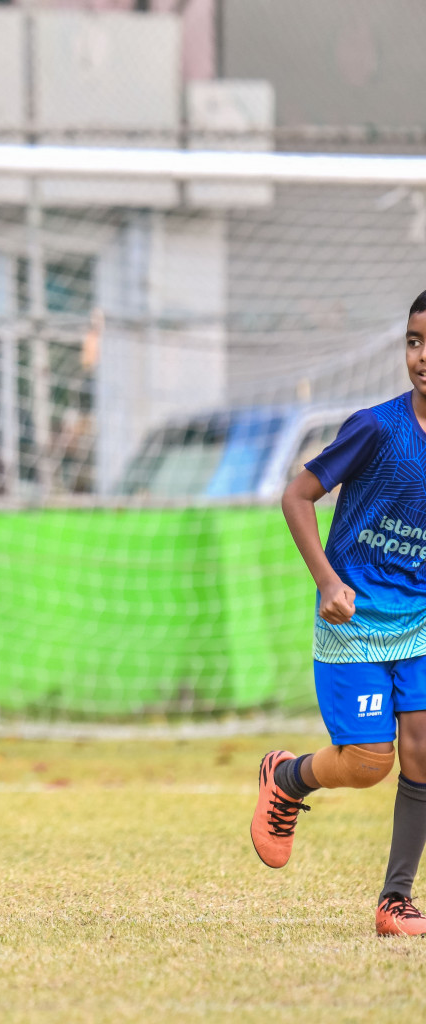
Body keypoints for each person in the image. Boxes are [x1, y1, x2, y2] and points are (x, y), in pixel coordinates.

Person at [251, 289, 426, 936]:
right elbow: (298, 496)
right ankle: (289, 777)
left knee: (423, 750)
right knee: (367, 764)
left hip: (421, 623)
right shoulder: (378, 429)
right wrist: (327, 581)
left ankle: (395, 901)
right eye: (414, 341)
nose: (423, 356)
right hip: (354, 622)